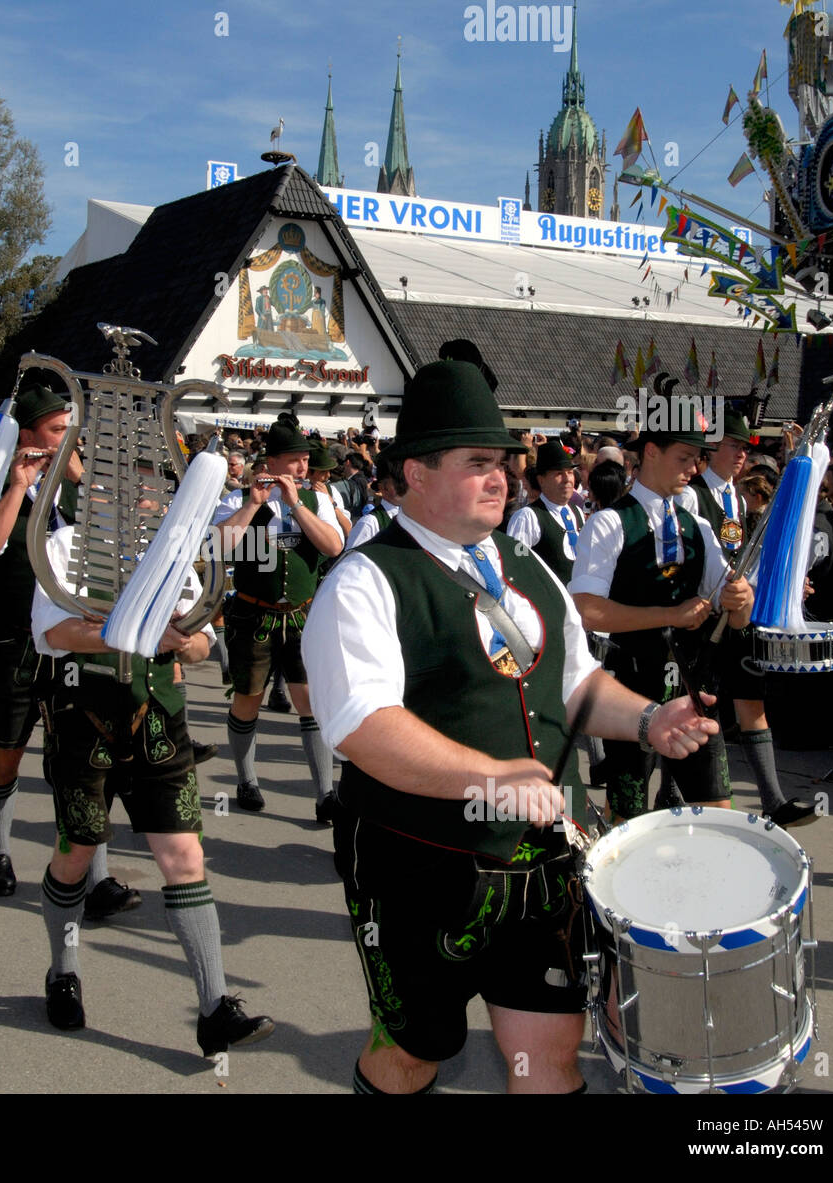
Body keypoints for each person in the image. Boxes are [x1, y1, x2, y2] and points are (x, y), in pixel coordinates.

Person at [303, 359, 721, 1094]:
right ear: (415, 473)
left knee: (548, 1053)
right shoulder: (366, 580)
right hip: (421, 867)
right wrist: (490, 776)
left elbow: (578, 685)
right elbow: (363, 725)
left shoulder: (529, 566)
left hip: (543, 867)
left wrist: (652, 718)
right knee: (411, 1054)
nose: (500, 477)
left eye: (502, 462)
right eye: (476, 463)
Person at [30, 507, 275, 1056]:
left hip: (159, 716)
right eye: (135, 476)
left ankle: (214, 1008)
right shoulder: (67, 544)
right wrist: (135, 631)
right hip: (81, 717)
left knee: (184, 858)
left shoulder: (174, 551)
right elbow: (56, 631)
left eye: (154, 480)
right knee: (77, 851)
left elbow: (201, 642)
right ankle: (62, 972)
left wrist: (185, 642)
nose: (144, 493)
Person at [0, 382, 137, 916]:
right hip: (15, 642)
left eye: (71, 431)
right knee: (9, 752)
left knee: (85, 760)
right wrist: (20, 484)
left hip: (71, 641)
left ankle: (98, 877)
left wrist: (79, 476)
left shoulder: (77, 484)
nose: (68, 439)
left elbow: (117, 535)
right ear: (28, 434)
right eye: (58, 431)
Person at [570, 411, 754, 820]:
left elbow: (733, 612)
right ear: (651, 451)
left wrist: (741, 600)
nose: (694, 469)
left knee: (718, 814)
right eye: (684, 457)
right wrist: (670, 613)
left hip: (693, 694)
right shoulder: (608, 523)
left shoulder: (699, 527)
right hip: (630, 694)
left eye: (697, 459)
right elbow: (587, 611)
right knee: (626, 820)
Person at [687, 410, 816, 827]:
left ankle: (773, 799)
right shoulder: (693, 496)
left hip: (737, 616)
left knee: (750, 700)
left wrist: (784, 584)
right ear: (712, 447)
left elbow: (748, 558)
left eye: (746, 448)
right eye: (735, 445)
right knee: (695, 712)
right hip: (702, 620)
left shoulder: (736, 498)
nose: (742, 454)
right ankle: (670, 799)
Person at [214, 412, 344, 820]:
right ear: (271, 462)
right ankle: (246, 778)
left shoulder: (317, 499)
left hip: (302, 617)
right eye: (294, 460)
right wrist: (254, 504)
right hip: (254, 616)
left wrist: (296, 506)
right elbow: (220, 547)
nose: (303, 467)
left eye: (305, 459)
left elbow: (333, 547)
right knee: (248, 699)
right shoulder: (238, 499)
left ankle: (325, 794)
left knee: (309, 700)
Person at [505, 440, 584, 586]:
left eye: (570, 472)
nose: (567, 479)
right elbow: (517, 564)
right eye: (559, 474)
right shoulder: (527, 517)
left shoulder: (577, 511)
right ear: (541, 480)